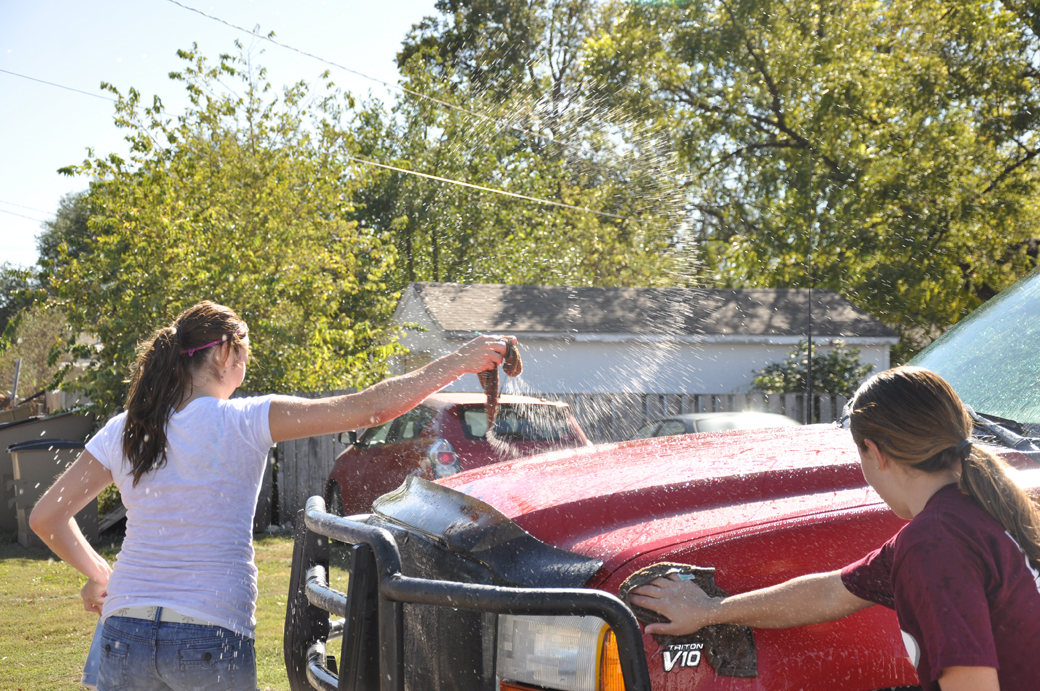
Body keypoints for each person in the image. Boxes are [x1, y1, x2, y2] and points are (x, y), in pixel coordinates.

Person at [29, 300, 514, 691]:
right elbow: (372, 408)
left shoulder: (126, 430)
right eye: (245, 356)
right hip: (209, 633)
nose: (246, 367)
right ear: (223, 356)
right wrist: (461, 360)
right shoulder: (246, 420)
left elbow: (47, 517)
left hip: (123, 631)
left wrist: (101, 575)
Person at [631, 366, 1040, 691]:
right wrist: (708, 611)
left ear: (874, 452)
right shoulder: (984, 508)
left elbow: (972, 685)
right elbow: (829, 593)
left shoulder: (933, 545)